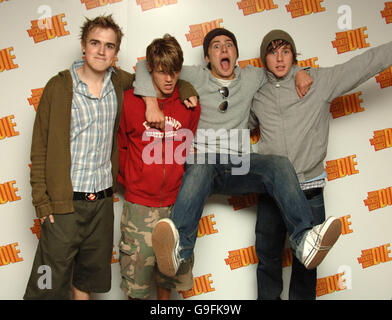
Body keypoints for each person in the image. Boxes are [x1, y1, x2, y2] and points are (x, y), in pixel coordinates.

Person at [134, 28, 342, 279]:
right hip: (206, 166)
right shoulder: (194, 75)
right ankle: (179, 250)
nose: (223, 50)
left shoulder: (252, 76)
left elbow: (281, 68)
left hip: (240, 165)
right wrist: (151, 103)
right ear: (207, 58)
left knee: (279, 164)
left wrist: (301, 72)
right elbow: (146, 65)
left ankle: (304, 241)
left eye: (229, 45)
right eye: (216, 46)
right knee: (200, 162)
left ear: (236, 54)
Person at [23, 15, 197, 300]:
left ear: (116, 52)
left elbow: (151, 72)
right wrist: (42, 202)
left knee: (86, 280)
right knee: (47, 284)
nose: (102, 51)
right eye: (95, 43)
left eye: (109, 46)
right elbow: (39, 148)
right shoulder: (59, 87)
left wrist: (185, 89)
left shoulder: (120, 82)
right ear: (83, 46)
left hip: (101, 202)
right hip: (65, 201)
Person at [252, 30, 392, 300]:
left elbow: (365, 64)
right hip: (272, 191)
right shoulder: (257, 93)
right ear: (263, 58)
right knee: (268, 260)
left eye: (285, 51)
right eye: (272, 52)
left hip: (309, 190)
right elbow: (231, 112)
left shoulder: (317, 81)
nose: (280, 59)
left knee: (307, 264)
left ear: (294, 55)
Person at [117, 34, 201, 300]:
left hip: (176, 205)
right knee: (137, 285)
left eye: (174, 72)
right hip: (140, 205)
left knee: (167, 280)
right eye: (162, 71)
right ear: (150, 68)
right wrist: (133, 181)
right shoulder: (130, 100)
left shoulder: (189, 104)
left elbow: (189, 147)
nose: (168, 79)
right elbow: (120, 146)